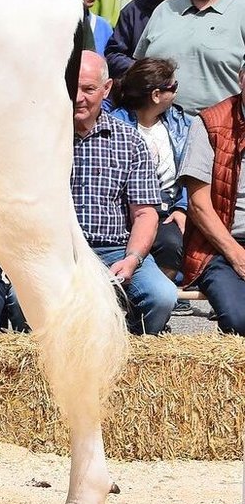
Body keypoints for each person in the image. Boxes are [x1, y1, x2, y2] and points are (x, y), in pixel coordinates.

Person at [71, 51, 177, 334]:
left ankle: (132, 349)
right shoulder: (45, 137)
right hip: (62, 250)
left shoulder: (130, 141)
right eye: (72, 87)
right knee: (20, 302)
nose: (78, 97)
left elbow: (145, 213)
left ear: (106, 89)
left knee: (161, 295)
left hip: (114, 249)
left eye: (88, 89)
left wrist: (132, 259)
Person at [135, 0, 245, 115]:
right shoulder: (165, 9)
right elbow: (141, 69)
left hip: (221, 128)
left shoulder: (242, 10)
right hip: (161, 126)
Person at [106, 58, 190, 281]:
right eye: (173, 86)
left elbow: (189, 172)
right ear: (156, 95)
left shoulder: (181, 123)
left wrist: (182, 208)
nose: (176, 91)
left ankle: (162, 289)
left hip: (167, 208)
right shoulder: (115, 127)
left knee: (171, 243)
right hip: (128, 209)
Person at [178, 63, 245, 333]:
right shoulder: (209, 123)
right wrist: (236, 255)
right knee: (240, 320)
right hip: (220, 248)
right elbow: (198, 205)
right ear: (241, 79)